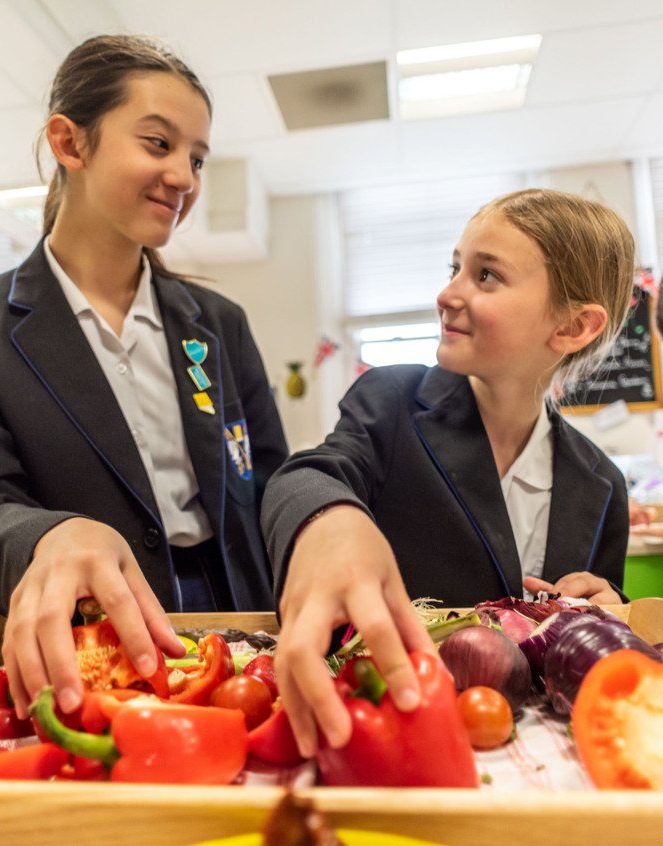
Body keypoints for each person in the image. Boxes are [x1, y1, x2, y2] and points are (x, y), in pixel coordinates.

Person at [0, 34, 287, 720]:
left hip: (238, 624)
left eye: (197, 158)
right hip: (85, 649)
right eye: (158, 144)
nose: (185, 177)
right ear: (71, 143)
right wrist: (49, 535)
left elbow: (268, 478)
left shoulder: (219, 323)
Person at [261, 188, 635, 756]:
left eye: (486, 276)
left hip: (537, 758)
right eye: (455, 267)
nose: (447, 293)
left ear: (573, 327)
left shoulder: (601, 482)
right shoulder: (391, 400)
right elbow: (310, 475)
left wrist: (607, 609)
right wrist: (330, 522)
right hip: (400, 730)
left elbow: (594, 644)